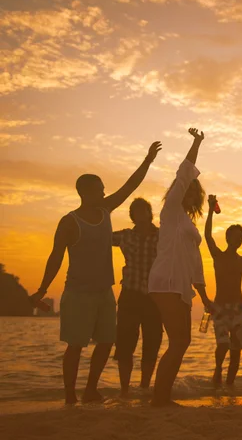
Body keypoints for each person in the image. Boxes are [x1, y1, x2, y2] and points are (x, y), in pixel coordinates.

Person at [30, 141, 162, 404]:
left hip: (104, 292)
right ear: (86, 192)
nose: (104, 193)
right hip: (78, 293)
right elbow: (55, 257)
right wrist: (43, 290)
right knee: (76, 345)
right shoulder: (69, 222)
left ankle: (91, 388)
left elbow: (129, 186)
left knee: (106, 342)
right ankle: (70, 394)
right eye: (100, 190)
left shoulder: (105, 210)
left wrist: (147, 161)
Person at [148, 128, 213, 407]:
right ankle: (160, 398)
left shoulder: (186, 223)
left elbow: (196, 265)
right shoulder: (171, 211)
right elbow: (184, 173)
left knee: (181, 342)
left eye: (194, 192)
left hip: (181, 285)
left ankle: (162, 396)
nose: (191, 193)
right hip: (166, 282)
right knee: (178, 342)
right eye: (189, 189)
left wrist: (206, 297)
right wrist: (196, 143)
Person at [204, 194, 242, 386]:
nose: (237, 240)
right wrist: (211, 211)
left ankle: (229, 385)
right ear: (227, 238)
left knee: (236, 351)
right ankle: (218, 369)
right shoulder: (218, 257)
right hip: (220, 307)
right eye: (234, 237)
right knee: (223, 345)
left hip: (238, 309)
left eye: (240, 238)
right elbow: (208, 236)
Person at [112, 198, 162, 397]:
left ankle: (144, 387)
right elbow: (99, 237)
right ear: (132, 216)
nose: (140, 216)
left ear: (150, 213)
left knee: (152, 342)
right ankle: (124, 389)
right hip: (130, 295)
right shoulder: (125, 236)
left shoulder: (162, 236)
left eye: (143, 211)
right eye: (136, 212)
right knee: (124, 343)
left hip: (154, 296)